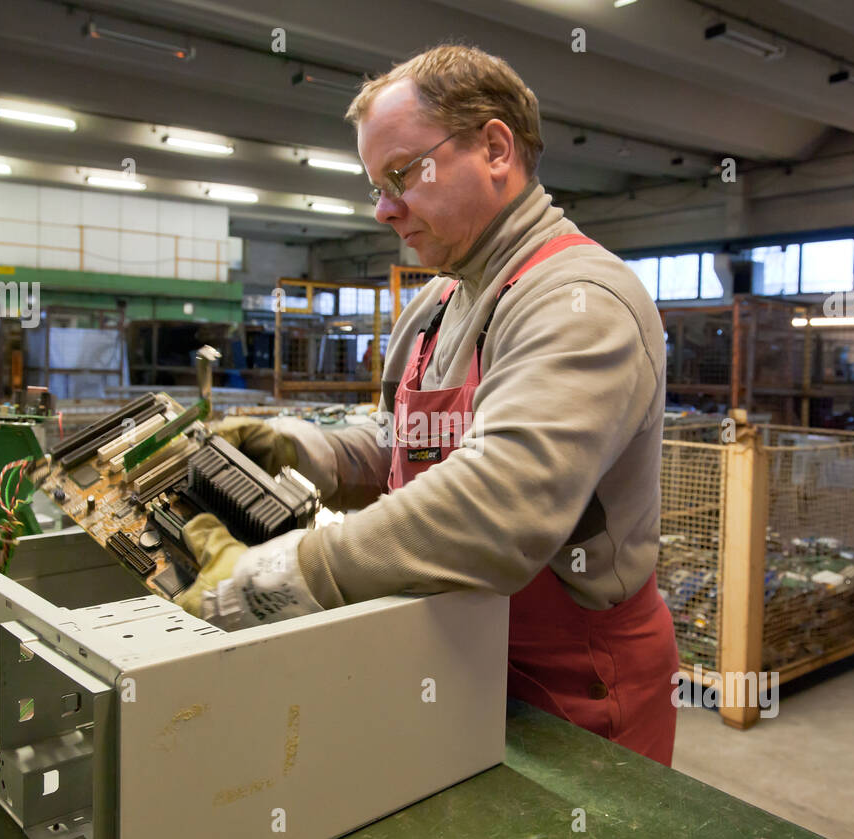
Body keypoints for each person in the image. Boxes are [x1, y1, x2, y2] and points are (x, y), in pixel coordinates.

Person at [181, 44, 678, 765]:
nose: (383, 210)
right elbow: (404, 443)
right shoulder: (439, 301)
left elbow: (501, 507)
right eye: (374, 185)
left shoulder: (581, 302)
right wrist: (297, 448)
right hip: (448, 648)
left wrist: (286, 576)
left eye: (401, 175)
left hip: (572, 685)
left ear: (495, 148)